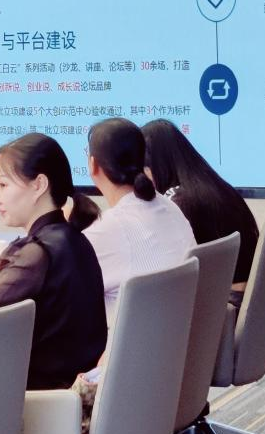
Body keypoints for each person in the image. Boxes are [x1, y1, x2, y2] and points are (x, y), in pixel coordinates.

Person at [0, 133, 107, 390]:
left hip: (37, 398)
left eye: (3, 185)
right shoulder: (75, 239)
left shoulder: (37, 254)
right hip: (72, 393)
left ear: (39, 185)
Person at [83, 117, 197, 327]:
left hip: (134, 344)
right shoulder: (168, 206)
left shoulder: (108, 229)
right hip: (179, 336)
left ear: (93, 164)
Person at [143, 118, 260, 305]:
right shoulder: (217, 187)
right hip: (247, 299)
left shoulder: (176, 202)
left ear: (153, 167)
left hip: (219, 305)